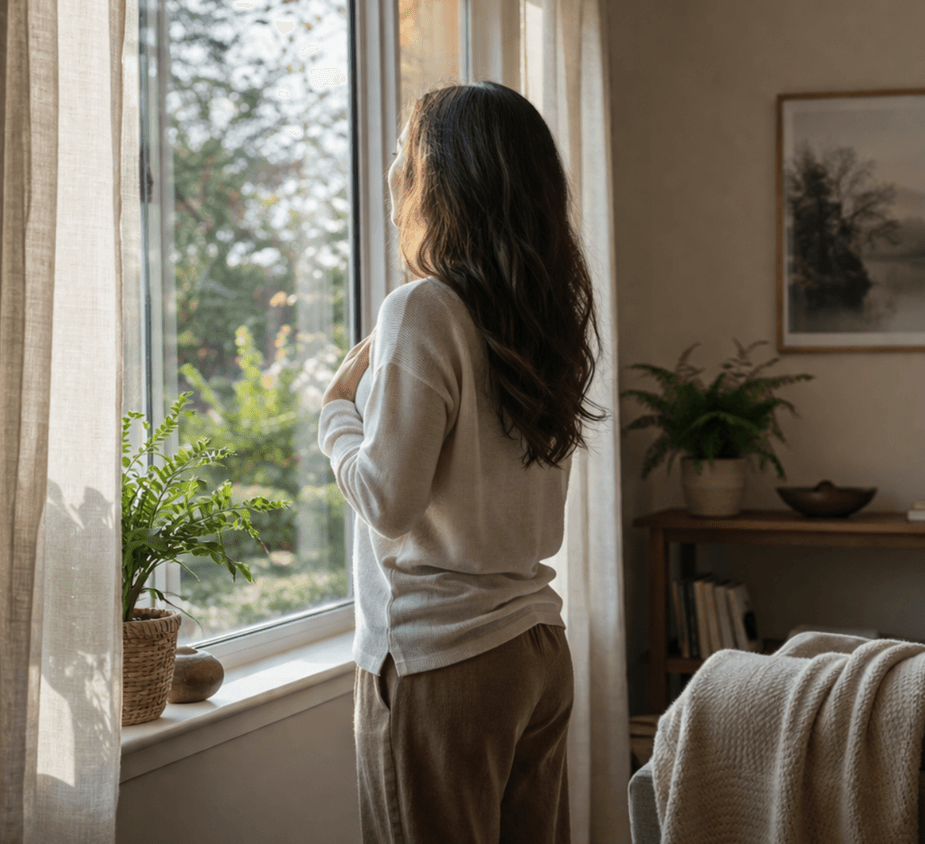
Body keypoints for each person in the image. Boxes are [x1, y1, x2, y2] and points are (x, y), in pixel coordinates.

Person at [317, 81, 601, 844]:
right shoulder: (541, 317)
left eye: (406, 153)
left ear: (445, 178)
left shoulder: (422, 309)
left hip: (442, 662)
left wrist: (333, 419)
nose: (391, 173)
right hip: (536, 652)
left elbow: (388, 502)